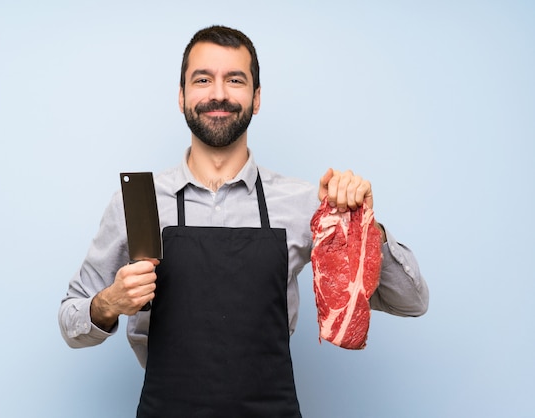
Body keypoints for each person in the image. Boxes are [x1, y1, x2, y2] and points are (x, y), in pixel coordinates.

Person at [59, 25, 429, 417]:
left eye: (235, 80)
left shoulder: (303, 203)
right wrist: (107, 304)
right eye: (203, 79)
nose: (218, 94)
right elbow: (71, 321)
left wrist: (365, 225)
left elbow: (411, 301)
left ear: (256, 99)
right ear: (182, 96)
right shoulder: (138, 202)